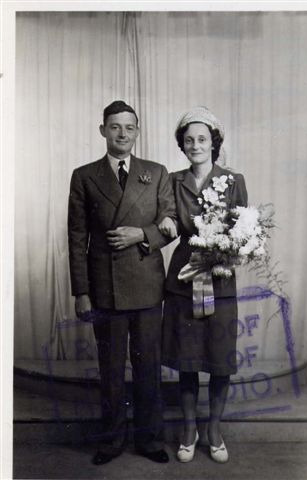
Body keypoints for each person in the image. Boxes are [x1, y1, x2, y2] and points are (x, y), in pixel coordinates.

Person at [67, 100, 177, 466]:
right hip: (104, 289)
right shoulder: (84, 176)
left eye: (129, 127)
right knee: (111, 369)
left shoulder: (157, 172)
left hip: (146, 286)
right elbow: (76, 236)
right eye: (115, 127)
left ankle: (149, 439)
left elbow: (170, 223)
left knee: (148, 367)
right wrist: (81, 292)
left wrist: (140, 234)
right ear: (103, 131)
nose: (122, 134)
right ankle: (112, 440)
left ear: (138, 131)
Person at [159, 106, 248, 463]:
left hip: (220, 280)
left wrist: (228, 249)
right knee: (187, 359)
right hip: (183, 279)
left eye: (202, 139)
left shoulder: (233, 179)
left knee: (219, 359)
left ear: (214, 143)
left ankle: (214, 428)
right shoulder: (173, 180)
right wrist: (166, 222)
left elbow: (244, 231)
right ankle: (188, 428)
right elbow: (167, 217)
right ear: (182, 146)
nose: (195, 145)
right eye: (189, 140)